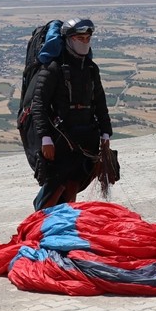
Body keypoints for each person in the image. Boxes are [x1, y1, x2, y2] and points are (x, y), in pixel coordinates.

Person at [30, 18, 113, 210]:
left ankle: (64, 225)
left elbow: (100, 102)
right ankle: (41, 222)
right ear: (68, 39)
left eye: (87, 39)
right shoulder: (53, 69)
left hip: (87, 138)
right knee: (55, 186)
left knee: (74, 184)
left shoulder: (91, 69)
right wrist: (45, 138)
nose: (84, 43)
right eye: (79, 38)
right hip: (60, 141)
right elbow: (39, 105)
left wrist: (106, 133)